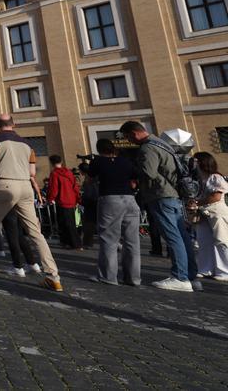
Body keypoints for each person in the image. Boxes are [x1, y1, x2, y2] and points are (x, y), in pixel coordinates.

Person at [0, 114, 63, 291]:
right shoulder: (27, 144)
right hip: (25, 186)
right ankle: (53, 276)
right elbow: (32, 172)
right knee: (35, 233)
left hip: (4, 184)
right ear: (13, 124)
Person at [119, 120, 199, 292]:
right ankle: (191, 276)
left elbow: (148, 172)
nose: (129, 141)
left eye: (128, 137)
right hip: (173, 195)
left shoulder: (148, 147)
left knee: (173, 237)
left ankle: (180, 277)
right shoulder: (162, 144)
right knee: (182, 236)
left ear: (133, 133)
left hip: (160, 195)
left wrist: (132, 169)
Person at [84, 138, 140, 286]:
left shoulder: (98, 161)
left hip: (110, 199)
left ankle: (108, 276)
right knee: (132, 241)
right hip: (130, 199)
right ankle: (133, 278)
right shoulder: (126, 161)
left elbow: (89, 180)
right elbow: (135, 180)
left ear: (99, 149)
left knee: (109, 239)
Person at [193, 152, 228, 281]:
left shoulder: (215, 177)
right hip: (204, 212)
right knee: (204, 240)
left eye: (195, 161)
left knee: (221, 240)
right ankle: (206, 268)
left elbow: (216, 196)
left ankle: (225, 271)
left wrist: (198, 203)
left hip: (216, 211)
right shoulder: (201, 179)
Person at [47, 155, 81, 250]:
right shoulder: (69, 172)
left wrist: (50, 198)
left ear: (52, 163)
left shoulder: (54, 173)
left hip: (62, 200)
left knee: (66, 223)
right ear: (61, 161)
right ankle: (68, 242)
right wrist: (77, 198)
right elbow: (75, 186)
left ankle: (74, 243)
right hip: (71, 199)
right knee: (70, 222)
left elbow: (54, 188)